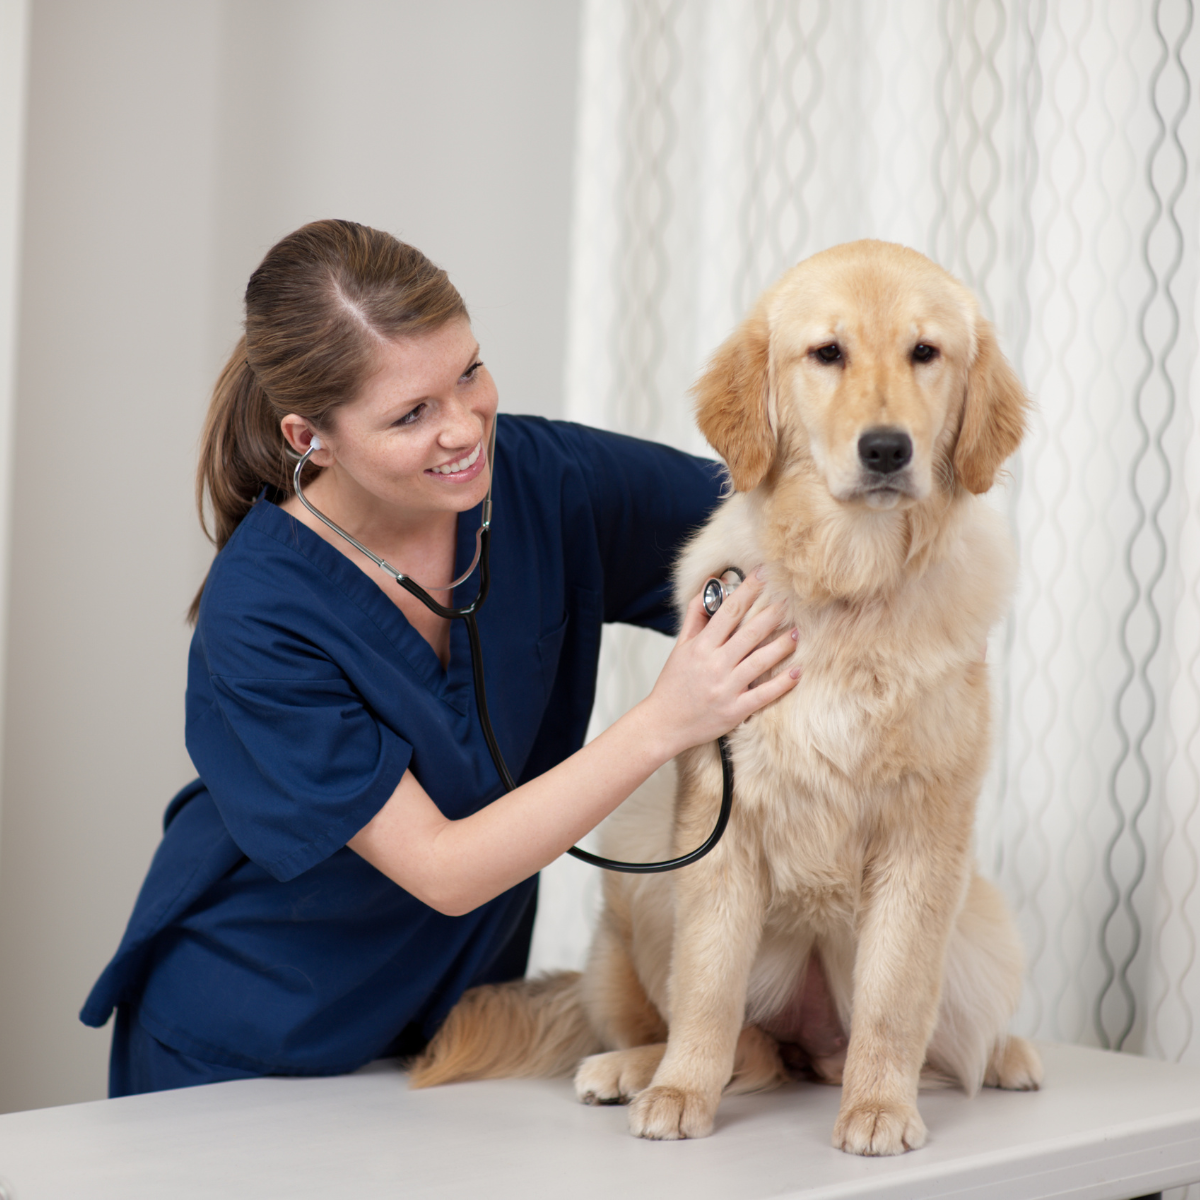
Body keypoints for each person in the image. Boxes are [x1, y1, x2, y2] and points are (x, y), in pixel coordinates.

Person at [81, 219, 800, 1096]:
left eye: (469, 373)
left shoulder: (546, 481)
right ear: (312, 437)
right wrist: (669, 720)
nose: (465, 427)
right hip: (249, 1033)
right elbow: (445, 871)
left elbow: (777, 516)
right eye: (412, 414)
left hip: (455, 1031)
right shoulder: (261, 612)